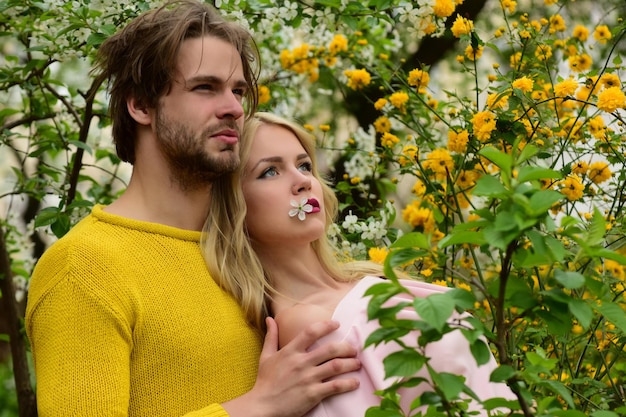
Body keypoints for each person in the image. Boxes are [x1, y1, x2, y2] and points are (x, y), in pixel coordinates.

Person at [24, 2, 362, 416]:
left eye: (238, 91)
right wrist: (256, 406)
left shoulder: (248, 249)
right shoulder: (85, 267)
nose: (234, 108)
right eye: (205, 87)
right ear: (141, 106)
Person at [202, 112, 516, 416]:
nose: (302, 182)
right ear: (235, 206)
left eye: (304, 165)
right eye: (270, 171)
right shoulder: (310, 328)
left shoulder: (368, 277)